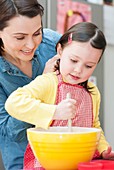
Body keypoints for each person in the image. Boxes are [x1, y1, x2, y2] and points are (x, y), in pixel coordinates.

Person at [5, 22, 114, 169]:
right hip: (48, 161)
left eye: (89, 66)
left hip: (82, 160)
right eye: (73, 60)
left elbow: (94, 127)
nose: (78, 70)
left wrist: (103, 149)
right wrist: (55, 112)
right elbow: (13, 103)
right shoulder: (49, 82)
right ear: (60, 51)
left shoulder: (92, 91)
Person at [0, 0, 61, 170]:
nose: (31, 44)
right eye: (20, 37)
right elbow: (9, 132)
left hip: (65, 150)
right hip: (22, 159)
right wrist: (43, 84)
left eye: (37, 33)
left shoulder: (53, 43)